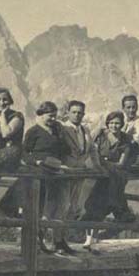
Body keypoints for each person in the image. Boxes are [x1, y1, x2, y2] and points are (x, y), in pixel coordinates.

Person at [23, 101, 74, 254]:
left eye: (54, 116)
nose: (53, 119)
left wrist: (61, 133)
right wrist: (36, 161)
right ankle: (39, 241)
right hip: (41, 173)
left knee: (60, 205)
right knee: (43, 208)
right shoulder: (33, 131)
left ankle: (57, 240)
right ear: (41, 114)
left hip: (57, 171)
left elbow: (66, 150)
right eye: (50, 116)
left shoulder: (57, 131)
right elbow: (24, 153)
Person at [81, 110, 137, 246]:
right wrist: (104, 163)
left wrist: (104, 162)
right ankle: (90, 237)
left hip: (110, 178)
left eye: (117, 123)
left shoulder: (125, 140)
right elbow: (91, 151)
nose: (114, 126)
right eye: (111, 123)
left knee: (97, 206)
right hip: (97, 176)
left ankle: (92, 239)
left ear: (122, 124)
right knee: (92, 205)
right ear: (107, 124)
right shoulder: (100, 136)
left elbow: (122, 163)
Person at [58, 100, 98, 247]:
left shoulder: (85, 130)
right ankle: (56, 240)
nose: (77, 115)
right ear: (68, 113)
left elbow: (92, 149)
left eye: (80, 113)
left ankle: (64, 241)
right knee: (62, 206)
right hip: (65, 173)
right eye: (74, 112)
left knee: (74, 207)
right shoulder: (62, 128)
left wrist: (97, 166)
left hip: (80, 173)